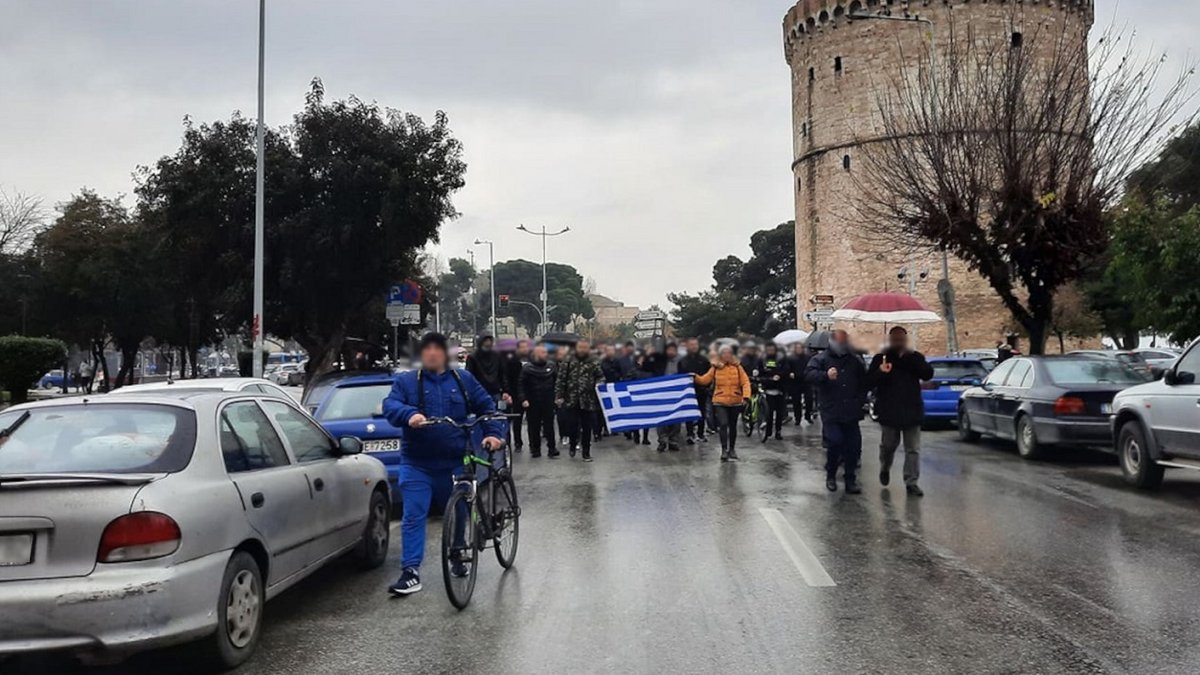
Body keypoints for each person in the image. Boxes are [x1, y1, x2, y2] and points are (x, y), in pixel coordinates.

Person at [382, 332, 506, 596]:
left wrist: (493, 434)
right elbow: (390, 406)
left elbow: (487, 408)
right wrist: (409, 414)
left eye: (437, 349)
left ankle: (458, 552)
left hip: (454, 462)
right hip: (417, 463)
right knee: (413, 515)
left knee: (460, 509)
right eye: (426, 349)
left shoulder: (463, 380)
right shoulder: (406, 382)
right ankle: (410, 571)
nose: (431, 354)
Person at [867, 327, 934, 496]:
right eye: (895, 339)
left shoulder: (915, 357)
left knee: (913, 449)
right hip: (889, 411)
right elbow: (868, 382)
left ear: (906, 340)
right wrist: (880, 372)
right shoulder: (881, 358)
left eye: (901, 339)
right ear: (890, 341)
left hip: (912, 410)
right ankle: (885, 466)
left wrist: (915, 360)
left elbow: (927, 374)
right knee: (888, 446)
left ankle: (911, 482)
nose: (899, 343)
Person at [805, 329, 868, 494]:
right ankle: (831, 475)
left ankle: (850, 480)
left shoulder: (854, 360)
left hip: (851, 411)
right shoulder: (821, 359)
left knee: (853, 447)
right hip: (831, 411)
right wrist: (825, 375)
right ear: (832, 342)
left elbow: (864, 382)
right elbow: (809, 374)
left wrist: (860, 401)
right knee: (835, 442)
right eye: (840, 342)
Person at [694, 345, 752, 462]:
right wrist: (695, 377)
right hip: (720, 401)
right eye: (724, 353)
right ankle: (724, 450)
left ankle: (732, 449)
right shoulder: (715, 368)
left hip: (735, 401)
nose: (726, 355)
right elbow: (705, 380)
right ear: (721, 355)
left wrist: (746, 396)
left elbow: (745, 382)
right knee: (723, 424)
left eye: (728, 353)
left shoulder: (738, 367)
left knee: (733, 426)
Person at [554, 338, 605, 461]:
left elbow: (600, 376)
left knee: (587, 427)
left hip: (588, 400)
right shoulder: (568, 360)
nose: (582, 350)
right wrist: (559, 396)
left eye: (585, 347)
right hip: (571, 399)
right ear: (576, 348)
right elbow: (561, 379)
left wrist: (599, 384)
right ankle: (573, 444)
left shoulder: (593, 361)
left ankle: (586, 452)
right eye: (580, 347)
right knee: (572, 425)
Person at [642, 342, 683, 452]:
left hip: (676, 394)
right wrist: (648, 355)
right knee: (661, 418)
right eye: (669, 350)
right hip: (661, 394)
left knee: (676, 418)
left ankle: (673, 441)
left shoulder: (681, 361)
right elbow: (645, 367)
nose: (671, 352)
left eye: (673, 350)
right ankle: (662, 440)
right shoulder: (658, 359)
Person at [520, 344, 558, 459]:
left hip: (548, 399)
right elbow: (521, 385)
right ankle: (535, 449)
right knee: (534, 426)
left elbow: (557, 382)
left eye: (546, 352)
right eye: (543, 352)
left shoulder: (551, 366)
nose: (545, 355)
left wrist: (557, 396)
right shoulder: (527, 368)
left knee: (549, 425)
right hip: (533, 400)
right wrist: (523, 399)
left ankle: (552, 448)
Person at [677, 338, 711, 444]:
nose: (694, 346)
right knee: (689, 413)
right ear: (687, 346)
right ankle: (690, 434)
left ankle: (701, 433)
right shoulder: (683, 361)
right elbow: (680, 376)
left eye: (695, 344)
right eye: (691, 344)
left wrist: (707, 386)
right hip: (689, 391)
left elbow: (709, 374)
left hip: (702, 390)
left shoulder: (704, 360)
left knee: (702, 412)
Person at [466, 335, 510, 408]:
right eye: (486, 341)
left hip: (496, 391)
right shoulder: (472, 357)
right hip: (479, 392)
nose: (488, 343)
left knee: (501, 411)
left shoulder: (497, 356)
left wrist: (505, 391)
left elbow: (502, 374)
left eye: (489, 341)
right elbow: (469, 376)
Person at [504, 340, 531, 452]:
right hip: (513, 393)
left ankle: (525, 442)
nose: (525, 349)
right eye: (522, 347)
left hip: (527, 393)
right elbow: (506, 377)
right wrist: (507, 392)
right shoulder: (511, 360)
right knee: (513, 418)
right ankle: (513, 442)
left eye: (526, 347)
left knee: (525, 419)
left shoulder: (530, 359)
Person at [759, 343, 789, 441]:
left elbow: (786, 370)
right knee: (769, 412)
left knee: (779, 413)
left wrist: (779, 375)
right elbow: (760, 372)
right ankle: (768, 431)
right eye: (768, 350)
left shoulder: (781, 359)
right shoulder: (763, 359)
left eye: (772, 350)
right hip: (768, 389)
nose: (770, 352)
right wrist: (766, 379)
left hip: (780, 389)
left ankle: (778, 431)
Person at [786, 343, 814, 423]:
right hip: (795, 381)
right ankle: (797, 418)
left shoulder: (808, 357)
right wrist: (790, 373)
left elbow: (811, 367)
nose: (799, 350)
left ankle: (808, 415)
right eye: (797, 348)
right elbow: (787, 368)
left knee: (809, 399)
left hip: (806, 381)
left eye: (800, 348)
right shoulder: (791, 358)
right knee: (796, 401)